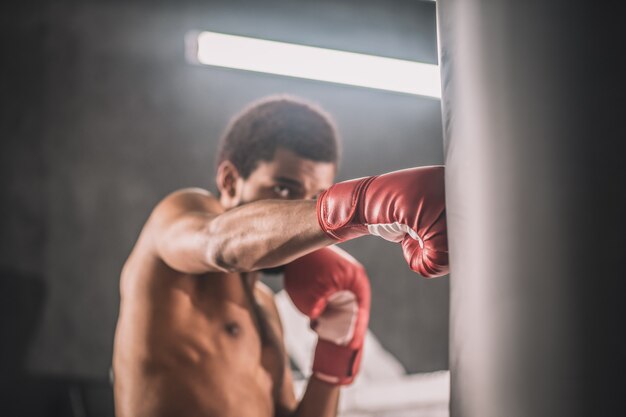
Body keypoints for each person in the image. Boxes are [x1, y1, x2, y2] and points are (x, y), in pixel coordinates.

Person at [112, 95, 448, 417]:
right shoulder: (177, 220)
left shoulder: (264, 307)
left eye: (316, 197)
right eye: (285, 190)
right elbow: (217, 242)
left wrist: (333, 356)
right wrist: (358, 205)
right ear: (230, 182)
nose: (300, 210)